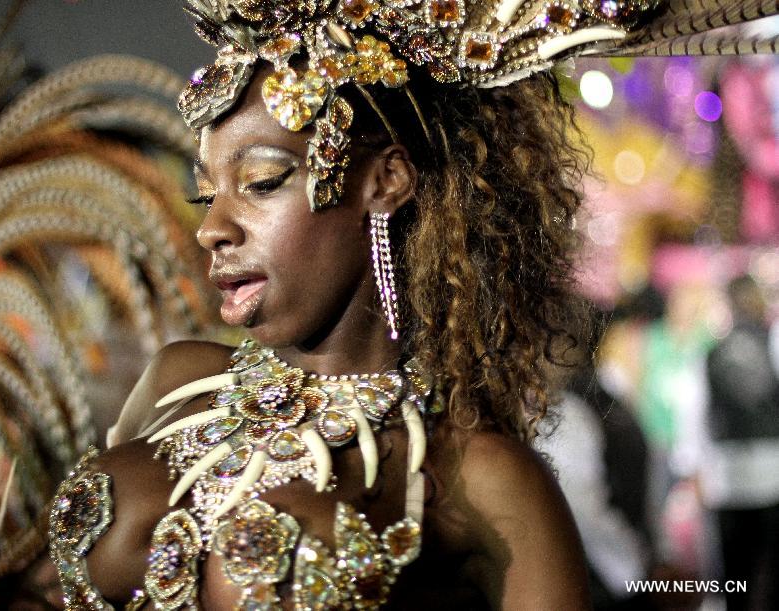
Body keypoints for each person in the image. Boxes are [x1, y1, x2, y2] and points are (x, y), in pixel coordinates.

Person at [45, 1, 779, 609]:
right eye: (207, 192)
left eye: (263, 181)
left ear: (387, 180)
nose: (212, 226)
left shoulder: (475, 474)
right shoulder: (179, 382)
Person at [702, 275, 779, 610]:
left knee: (736, 579)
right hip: (773, 473)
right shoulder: (772, 342)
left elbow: (698, 418)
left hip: (727, 477)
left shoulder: (710, 352)